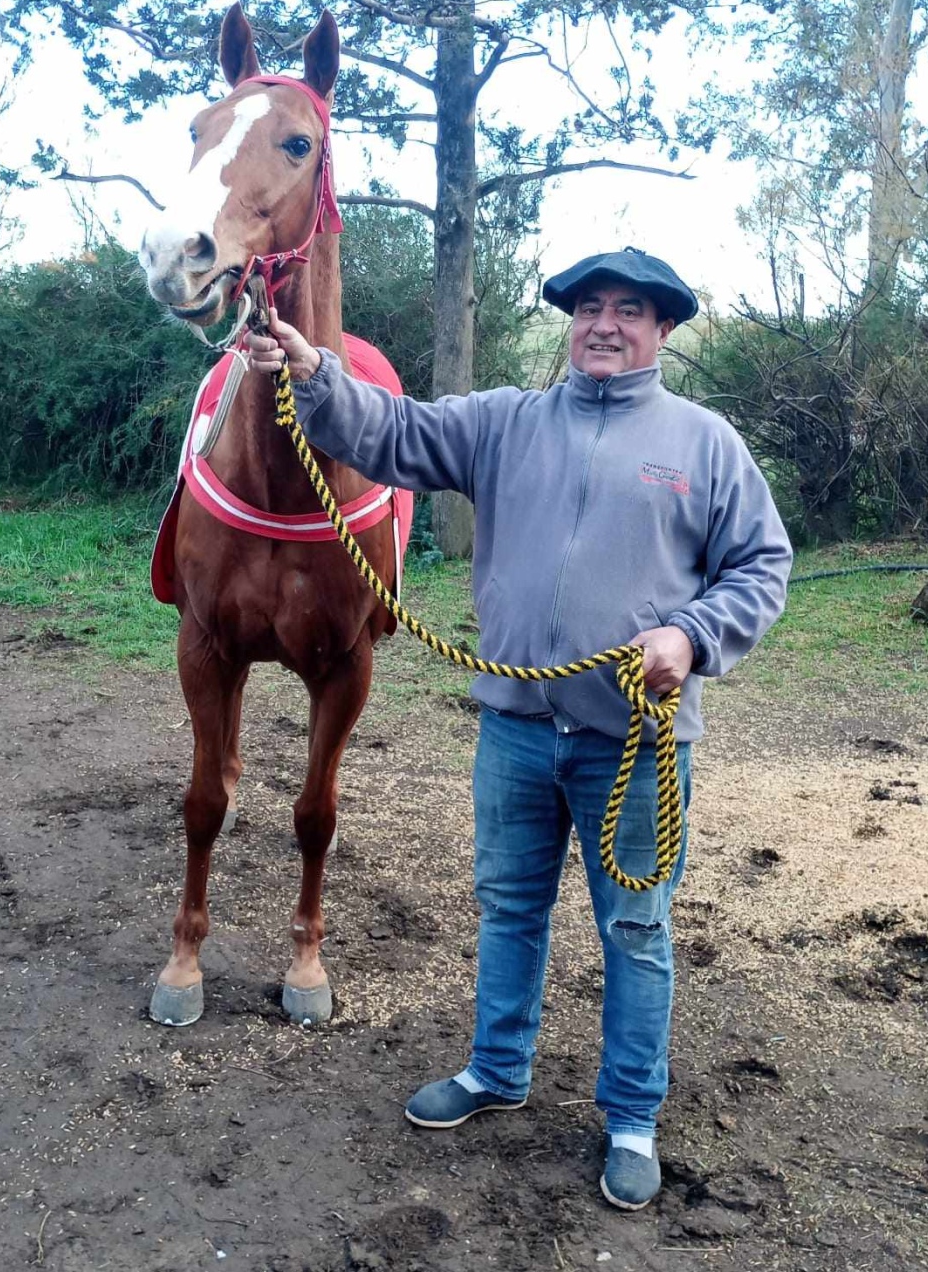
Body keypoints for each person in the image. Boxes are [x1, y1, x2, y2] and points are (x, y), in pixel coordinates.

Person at [246, 247, 792, 1211]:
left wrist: (690, 634)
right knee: (508, 908)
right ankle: (497, 1071)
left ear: (663, 329)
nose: (605, 324)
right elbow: (395, 432)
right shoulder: (506, 422)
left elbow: (761, 567)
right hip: (515, 732)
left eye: (629, 309)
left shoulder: (706, 445)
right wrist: (316, 376)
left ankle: (630, 1116)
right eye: (589, 306)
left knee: (634, 926)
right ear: (571, 323)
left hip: (634, 741)